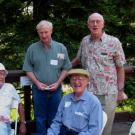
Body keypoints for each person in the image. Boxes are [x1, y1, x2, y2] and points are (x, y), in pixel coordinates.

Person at [72, 13, 126, 135]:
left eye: (98, 21)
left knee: (104, 128)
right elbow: (77, 59)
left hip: (107, 94)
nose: (95, 24)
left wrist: (121, 91)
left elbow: (120, 67)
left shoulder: (114, 42)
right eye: (92, 21)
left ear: (103, 24)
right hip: (88, 92)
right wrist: (63, 68)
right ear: (88, 24)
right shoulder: (85, 41)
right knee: (87, 126)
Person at [23, 20, 72, 135]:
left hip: (56, 90)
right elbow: (27, 68)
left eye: (46, 32)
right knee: (40, 117)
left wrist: (58, 82)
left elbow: (66, 67)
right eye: (41, 33)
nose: (43, 35)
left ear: (51, 31)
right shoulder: (32, 49)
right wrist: (37, 83)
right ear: (38, 33)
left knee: (55, 116)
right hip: (38, 89)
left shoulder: (60, 48)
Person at [47, 69, 103, 135]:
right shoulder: (66, 98)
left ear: (87, 82)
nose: (76, 82)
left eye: (80, 79)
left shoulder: (93, 102)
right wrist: (51, 133)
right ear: (70, 82)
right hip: (63, 131)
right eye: (73, 79)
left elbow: (94, 131)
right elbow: (57, 121)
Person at [0, 63, 26, 135]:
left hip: (4, 124)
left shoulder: (9, 87)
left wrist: (23, 124)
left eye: (3, 74)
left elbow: (19, 105)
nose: (2, 77)